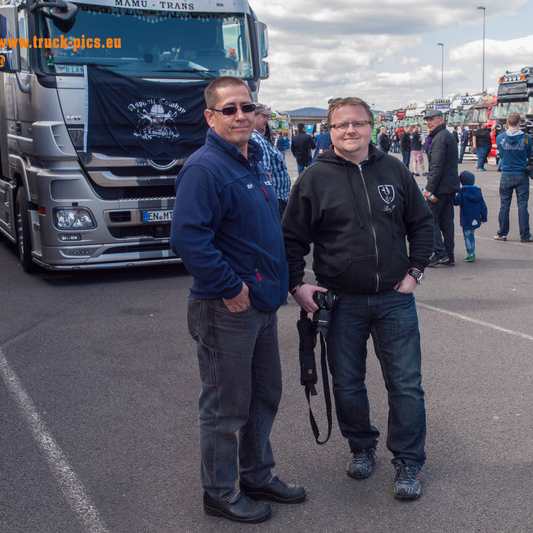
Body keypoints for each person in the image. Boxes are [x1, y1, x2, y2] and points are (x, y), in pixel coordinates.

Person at [282, 97, 434, 501]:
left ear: (372, 126)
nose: (350, 131)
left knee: (405, 385)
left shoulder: (394, 169)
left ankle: (408, 461)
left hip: (394, 300)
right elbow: (290, 239)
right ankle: (361, 445)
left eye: (358, 124)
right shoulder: (314, 179)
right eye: (341, 125)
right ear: (328, 131)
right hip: (341, 301)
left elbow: (422, 224)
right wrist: (296, 285)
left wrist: (414, 273)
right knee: (347, 384)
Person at [170, 77, 306, 525]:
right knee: (226, 406)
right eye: (229, 109)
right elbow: (189, 239)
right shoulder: (205, 168)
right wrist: (230, 287)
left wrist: (286, 283)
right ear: (210, 117)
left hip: (262, 305)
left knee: (264, 395)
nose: (241, 116)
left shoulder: (254, 161)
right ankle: (220, 491)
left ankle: (256, 474)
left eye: (246, 107)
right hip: (225, 308)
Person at [423, 109, 460, 267]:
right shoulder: (446, 135)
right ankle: (449, 254)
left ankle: (440, 253)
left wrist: (429, 189)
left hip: (439, 188)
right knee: (446, 221)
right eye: (427, 120)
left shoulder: (439, 138)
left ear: (440, 119)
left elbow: (436, 167)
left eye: (431, 119)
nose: (428, 123)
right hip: (449, 186)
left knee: (429, 217)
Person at [493, 111, 533, 242]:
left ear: (507, 122)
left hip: (506, 173)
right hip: (521, 173)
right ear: (520, 123)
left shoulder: (500, 138)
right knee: (523, 205)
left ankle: (502, 233)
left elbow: (501, 153)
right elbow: (529, 154)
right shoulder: (526, 137)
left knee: (504, 205)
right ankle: (525, 234)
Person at [252, 103, 292, 217]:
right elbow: (265, 175)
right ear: (253, 116)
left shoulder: (259, 137)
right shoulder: (256, 138)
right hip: (275, 200)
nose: (267, 119)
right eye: (263, 116)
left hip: (277, 199)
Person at [453, 170, 487, 262]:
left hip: (466, 217)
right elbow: (483, 205)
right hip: (476, 217)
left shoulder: (462, 192)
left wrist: (452, 195)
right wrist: (484, 217)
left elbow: (456, 202)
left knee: (467, 235)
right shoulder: (478, 192)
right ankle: (472, 251)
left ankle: (470, 252)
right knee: (471, 234)